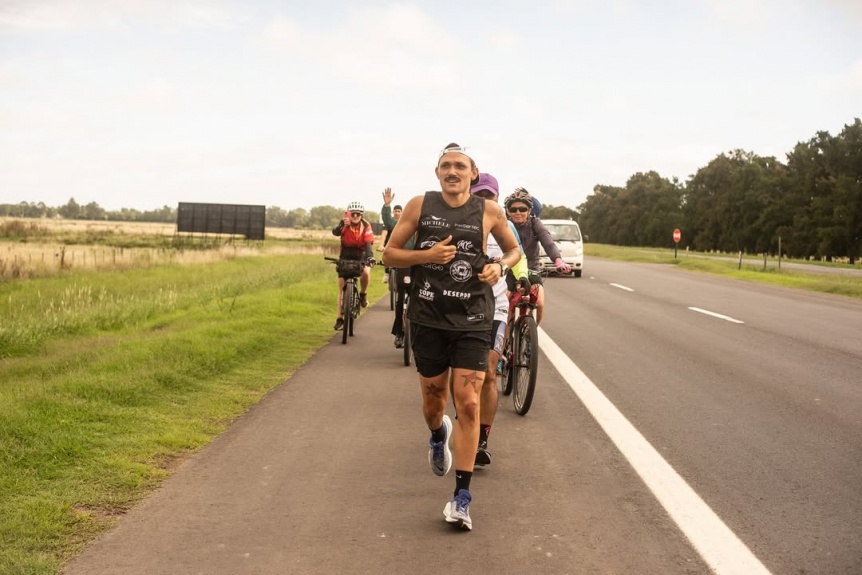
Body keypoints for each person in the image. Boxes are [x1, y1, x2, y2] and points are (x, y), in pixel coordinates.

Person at [382, 143, 521, 531]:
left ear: (473, 174)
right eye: (446, 165)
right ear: (437, 172)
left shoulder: (489, 211)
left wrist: (500, 268)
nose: (453, 171)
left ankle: (461, 497)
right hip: (428, 318)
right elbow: (389, 254)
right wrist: (426, 257)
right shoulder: (418, 206)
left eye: (460, 165)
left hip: (473, 320)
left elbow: (512, 250)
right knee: (433, 401)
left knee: (469, 404)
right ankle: (436, 433)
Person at [469, 173, 530, 468]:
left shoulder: (504, 226)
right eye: (478, 195)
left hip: (496, 307)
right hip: (459, 308)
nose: (484, 201)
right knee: (464, 376)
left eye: (488, 196)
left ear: (496, 198)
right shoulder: (460, 222)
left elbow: (519, 255)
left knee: (489, 372)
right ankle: (464, 422)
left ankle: (482, 439)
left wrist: (522, 279)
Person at [503, 188, 570, 325]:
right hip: (509, 270)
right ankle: (503, 340)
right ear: (508, 211)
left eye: (522, 209)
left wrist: (558, 261)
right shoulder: (504, 225)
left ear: (529, 211)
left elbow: (548, 243)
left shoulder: (535, 224)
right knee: (504, 303)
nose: (518, 213)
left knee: (539, 303)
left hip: (531, 269)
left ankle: (532, 333)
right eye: (513, 209)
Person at [331, 201, 375, 330]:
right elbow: (335, 233)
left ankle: (362, 294)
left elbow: (368, 244)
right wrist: (340, 225)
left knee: (366, 272)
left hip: (361, 255)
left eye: (358, 214)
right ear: (349, 214)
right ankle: (339, 319)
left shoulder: (366, 226)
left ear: (361, 215)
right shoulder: (344, 224)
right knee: (341, 288)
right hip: (345, 256)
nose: (355, 216)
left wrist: (370, 256)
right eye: (353, 214)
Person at [381, 187, 414, 348]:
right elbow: (388, 222)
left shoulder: (425, 228)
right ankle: (400, 333)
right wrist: (387, 206)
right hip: (403, 268)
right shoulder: (401, 225)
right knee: (400, 301)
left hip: (419, 270)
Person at [379, 188, 403, 285]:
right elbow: (384, 233)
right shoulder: (389, 222)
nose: (397, 213)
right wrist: (381, 245)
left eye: (399, 211)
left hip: (402, 245)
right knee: (386, 256)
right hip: (389, 244)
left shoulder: (404, 222)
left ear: (402, 212)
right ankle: (386, 273)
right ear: (393, 212)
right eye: (395, 211)